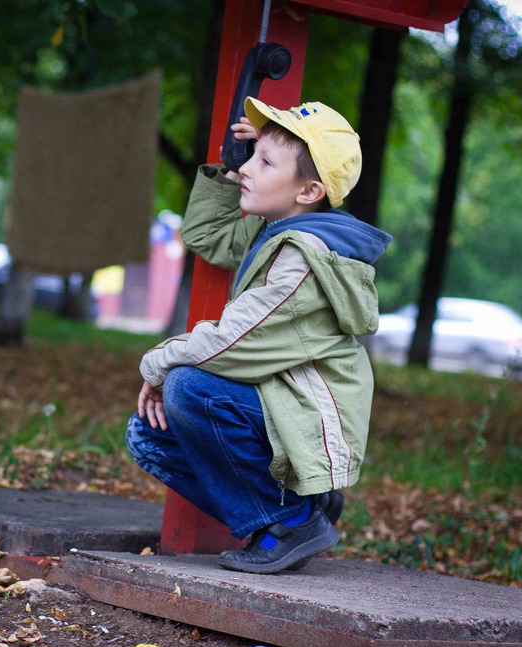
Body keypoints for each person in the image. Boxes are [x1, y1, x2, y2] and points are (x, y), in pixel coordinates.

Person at [126, 97, 392, 574]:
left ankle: (290, 518)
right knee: (149, 434)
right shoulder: (275, 231)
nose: (250, 167)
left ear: (308, 191)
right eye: (253, 155)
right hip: (279, 404)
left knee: (188, 386)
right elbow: (206, 235)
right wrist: (236, 171)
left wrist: (157, 364)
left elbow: (233, 341)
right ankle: (297, 508)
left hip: (306, 416)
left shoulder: (303, 261)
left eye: (265, 162)